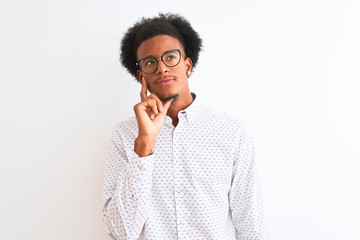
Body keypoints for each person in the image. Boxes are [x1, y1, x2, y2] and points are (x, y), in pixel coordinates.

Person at [102, 13, 269, 240]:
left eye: (170, 57)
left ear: (187, 65)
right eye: (150, 62)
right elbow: (121, 232)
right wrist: (145, 145)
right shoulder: (124, 136)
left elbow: (252, 227)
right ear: (141, 76)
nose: (161, 68)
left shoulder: (231, 132)